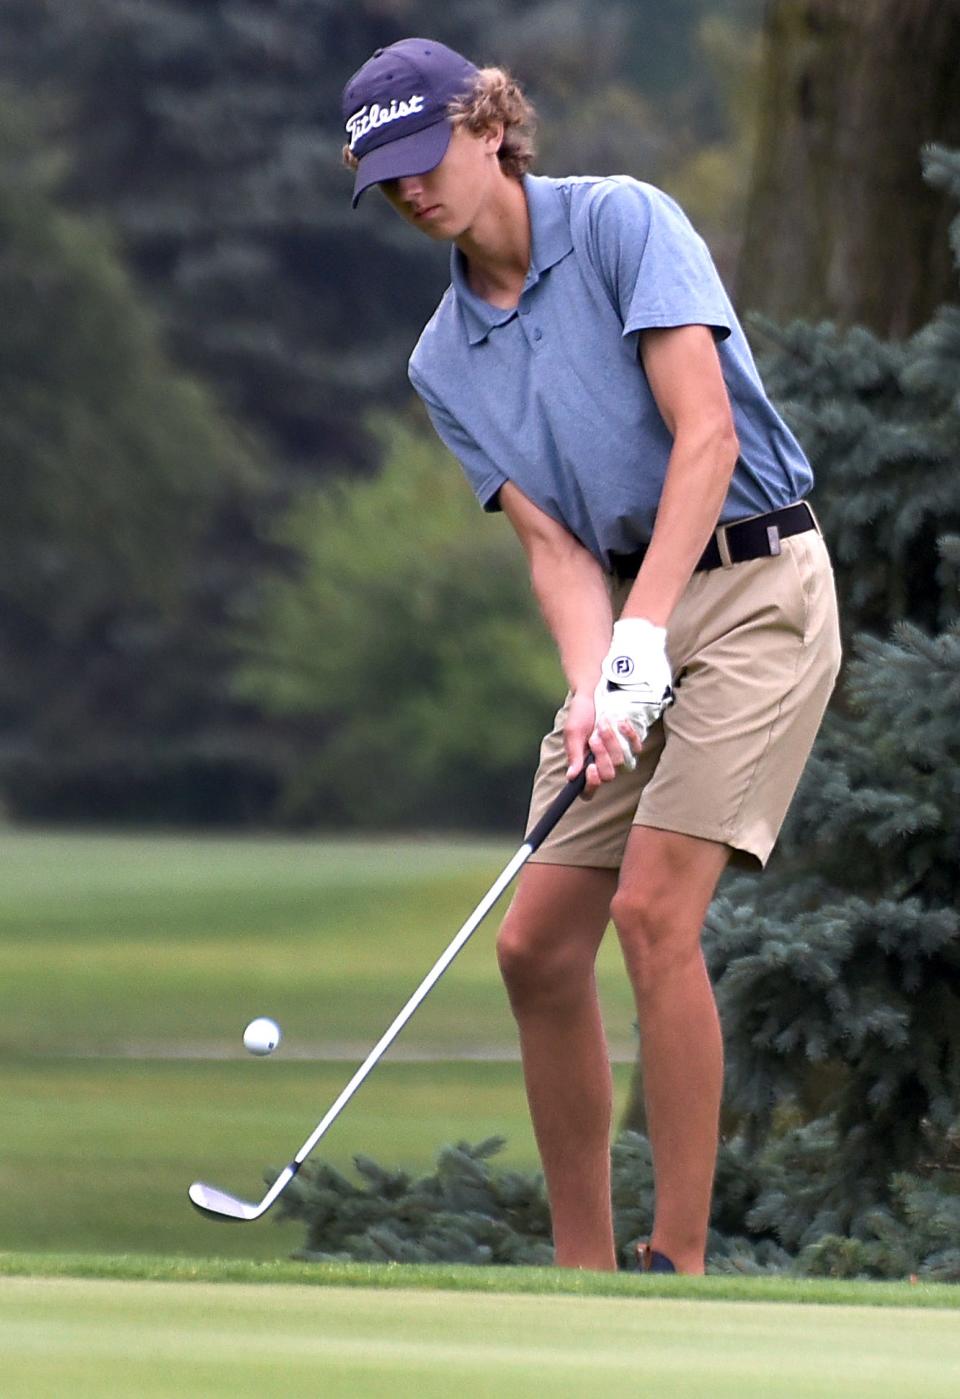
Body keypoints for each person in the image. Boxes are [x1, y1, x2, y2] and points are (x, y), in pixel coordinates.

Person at [340, 38, 842, 1275]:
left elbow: (707, 436)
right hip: (627, 613)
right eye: (384, 179)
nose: (413, 191)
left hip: (758, 587)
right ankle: (583, 1277)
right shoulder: (440, 359)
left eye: (423, 158)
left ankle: (676, 1265)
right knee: (534, 945)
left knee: (654, 913)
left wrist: (640, 642)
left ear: (489, 124)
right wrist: (594, 682)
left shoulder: (624, 224)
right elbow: (557, 551)